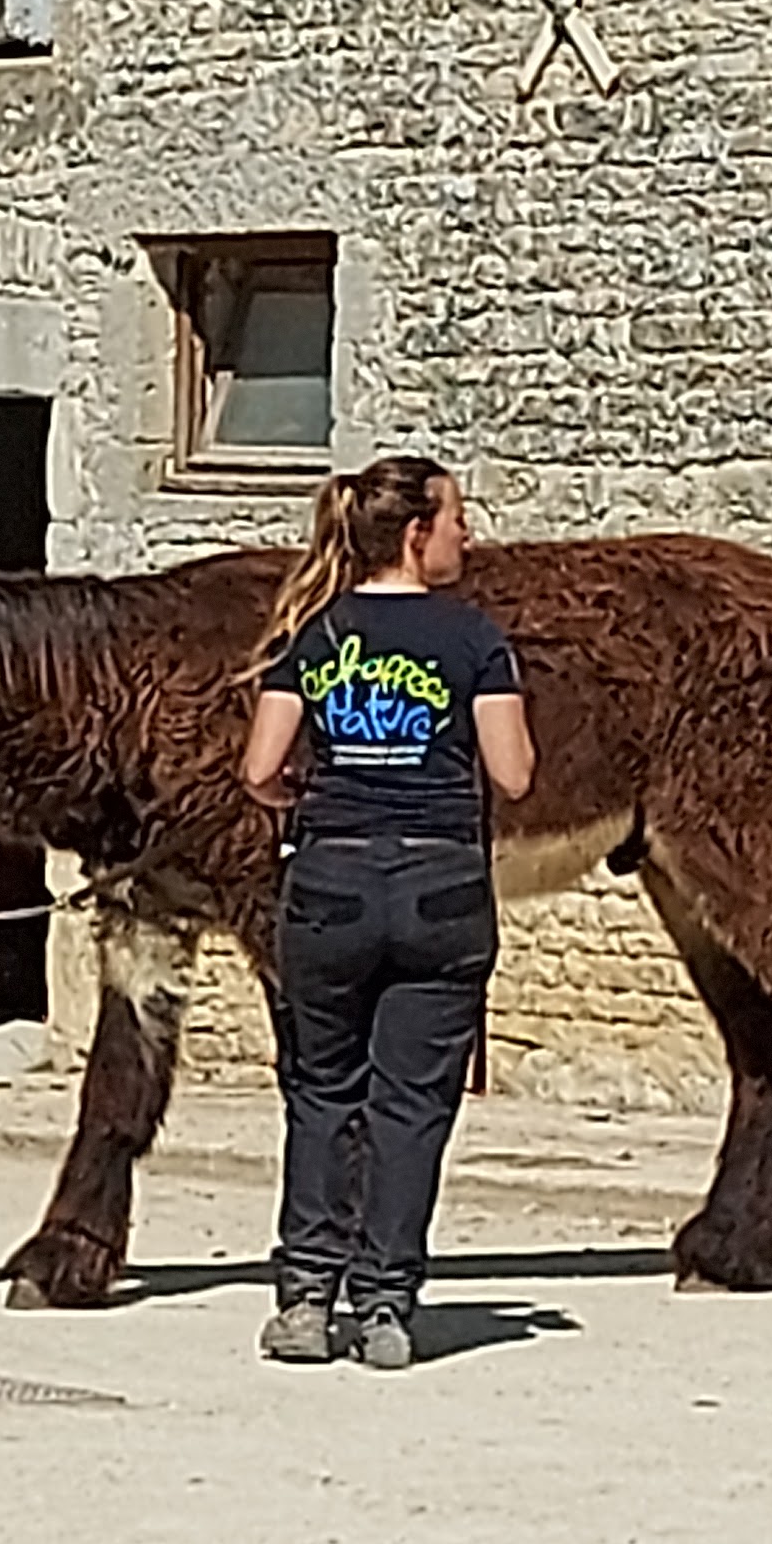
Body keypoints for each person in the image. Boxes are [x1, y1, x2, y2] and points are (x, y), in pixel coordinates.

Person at [237, 455, 535, 1373]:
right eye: (456, 518)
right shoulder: (474, 637)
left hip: (331, 885)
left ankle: (304, 1298)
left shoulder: (312, 634)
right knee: (412, 1105)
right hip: (441, 888)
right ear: (416, 534)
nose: (467, 534)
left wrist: (311, 793)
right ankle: (385, 1307)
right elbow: (514, 775)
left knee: (321, 1092)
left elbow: (259, 770)